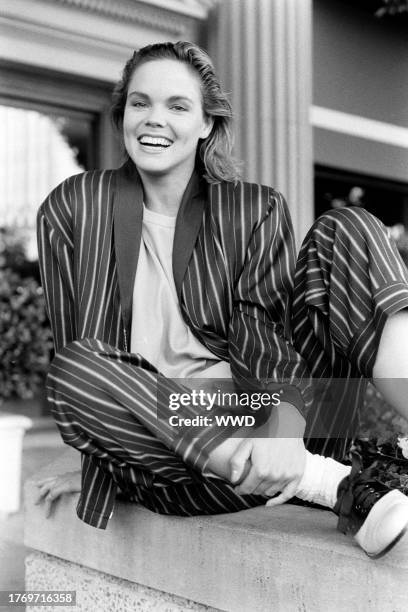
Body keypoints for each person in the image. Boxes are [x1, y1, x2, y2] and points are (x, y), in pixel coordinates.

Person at [34, 41, 408, 559]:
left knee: (348, 226)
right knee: (74, 368)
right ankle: (334, 485)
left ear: (207, 123)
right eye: (139, 103)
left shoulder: (251, 209)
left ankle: (334, 469)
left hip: (267, 416)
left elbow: (266, 337)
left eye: (177, 105)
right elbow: (82, 345)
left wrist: (282, 433)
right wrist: (100, 454)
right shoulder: (75, 206)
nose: (153, 119)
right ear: (121, 114)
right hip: (178, 453)